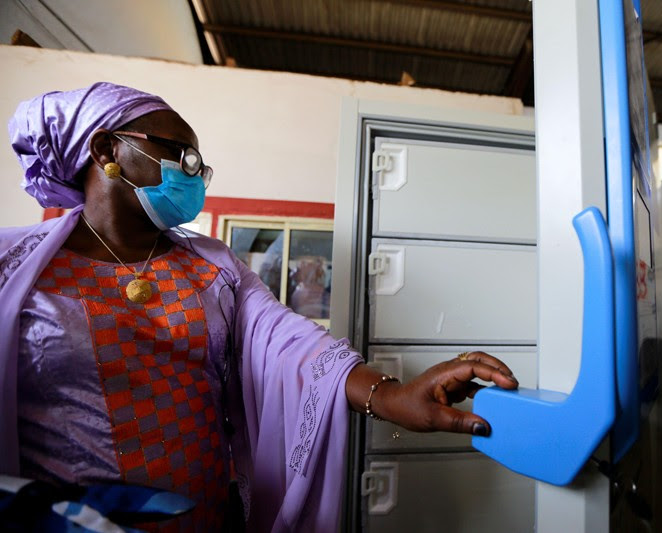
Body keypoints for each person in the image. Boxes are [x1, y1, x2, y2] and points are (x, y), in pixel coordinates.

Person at [0, 82, 519, 532]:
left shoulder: (213, 269)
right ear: (104, 147)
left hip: (202, 520)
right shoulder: (14, 269)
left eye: (200, 165)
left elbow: (290, 344)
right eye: (180, 154)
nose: (194, 174)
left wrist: (393, 394)